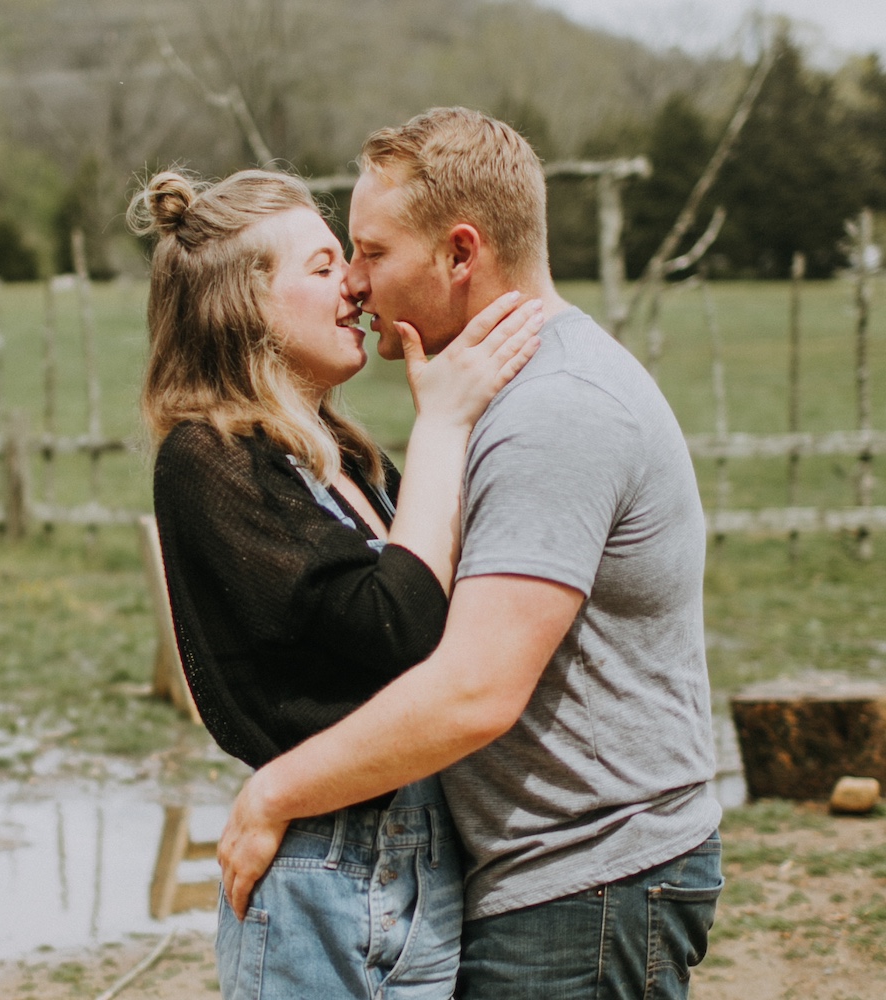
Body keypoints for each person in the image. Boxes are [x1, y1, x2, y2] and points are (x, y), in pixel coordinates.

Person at [218, 107, 724, 1000]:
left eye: (372, 253)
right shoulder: (504, 390)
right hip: (559, 873)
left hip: (584, 879)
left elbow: (475, 690)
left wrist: (274, 795)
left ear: (460, 253)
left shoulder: (552, 411)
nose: (358, 284)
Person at [126, 166, 542, 1000]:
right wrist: (447, 422)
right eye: (322, 267)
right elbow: (398, 626)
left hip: (424, 855)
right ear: (246, 304)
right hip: (321, 867)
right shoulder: (206, 460)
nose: (355, 285)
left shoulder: (345, 455)